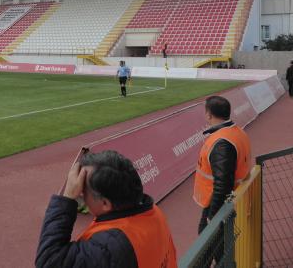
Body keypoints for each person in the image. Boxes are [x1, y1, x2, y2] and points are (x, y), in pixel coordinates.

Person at [36, 150, 177, 268]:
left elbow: (49, 260)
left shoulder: (112, 247)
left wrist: (67, 198)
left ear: (105, 203)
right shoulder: (151, 211)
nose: (80, 194)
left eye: (83, 190)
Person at [193, 96, 251, 263]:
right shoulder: (236, 132)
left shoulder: (221, 142)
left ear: (209, 115)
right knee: (220, 251)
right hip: (230, 201)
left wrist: (213, 216)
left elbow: (223, 182)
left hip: (217, 204)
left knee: (205, 251)